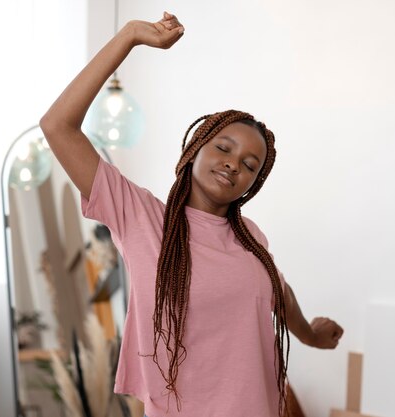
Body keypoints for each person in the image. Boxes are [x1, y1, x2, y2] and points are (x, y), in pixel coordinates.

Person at [40, 11, 344, 417]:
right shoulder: (141, 217)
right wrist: (129, 36)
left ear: (252, 183)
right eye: (224, 147)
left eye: (250, 164)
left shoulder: (251, 237)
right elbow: (58, 125)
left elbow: (277, 291)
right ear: (194, 150)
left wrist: (309, 334)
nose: (235, 163)